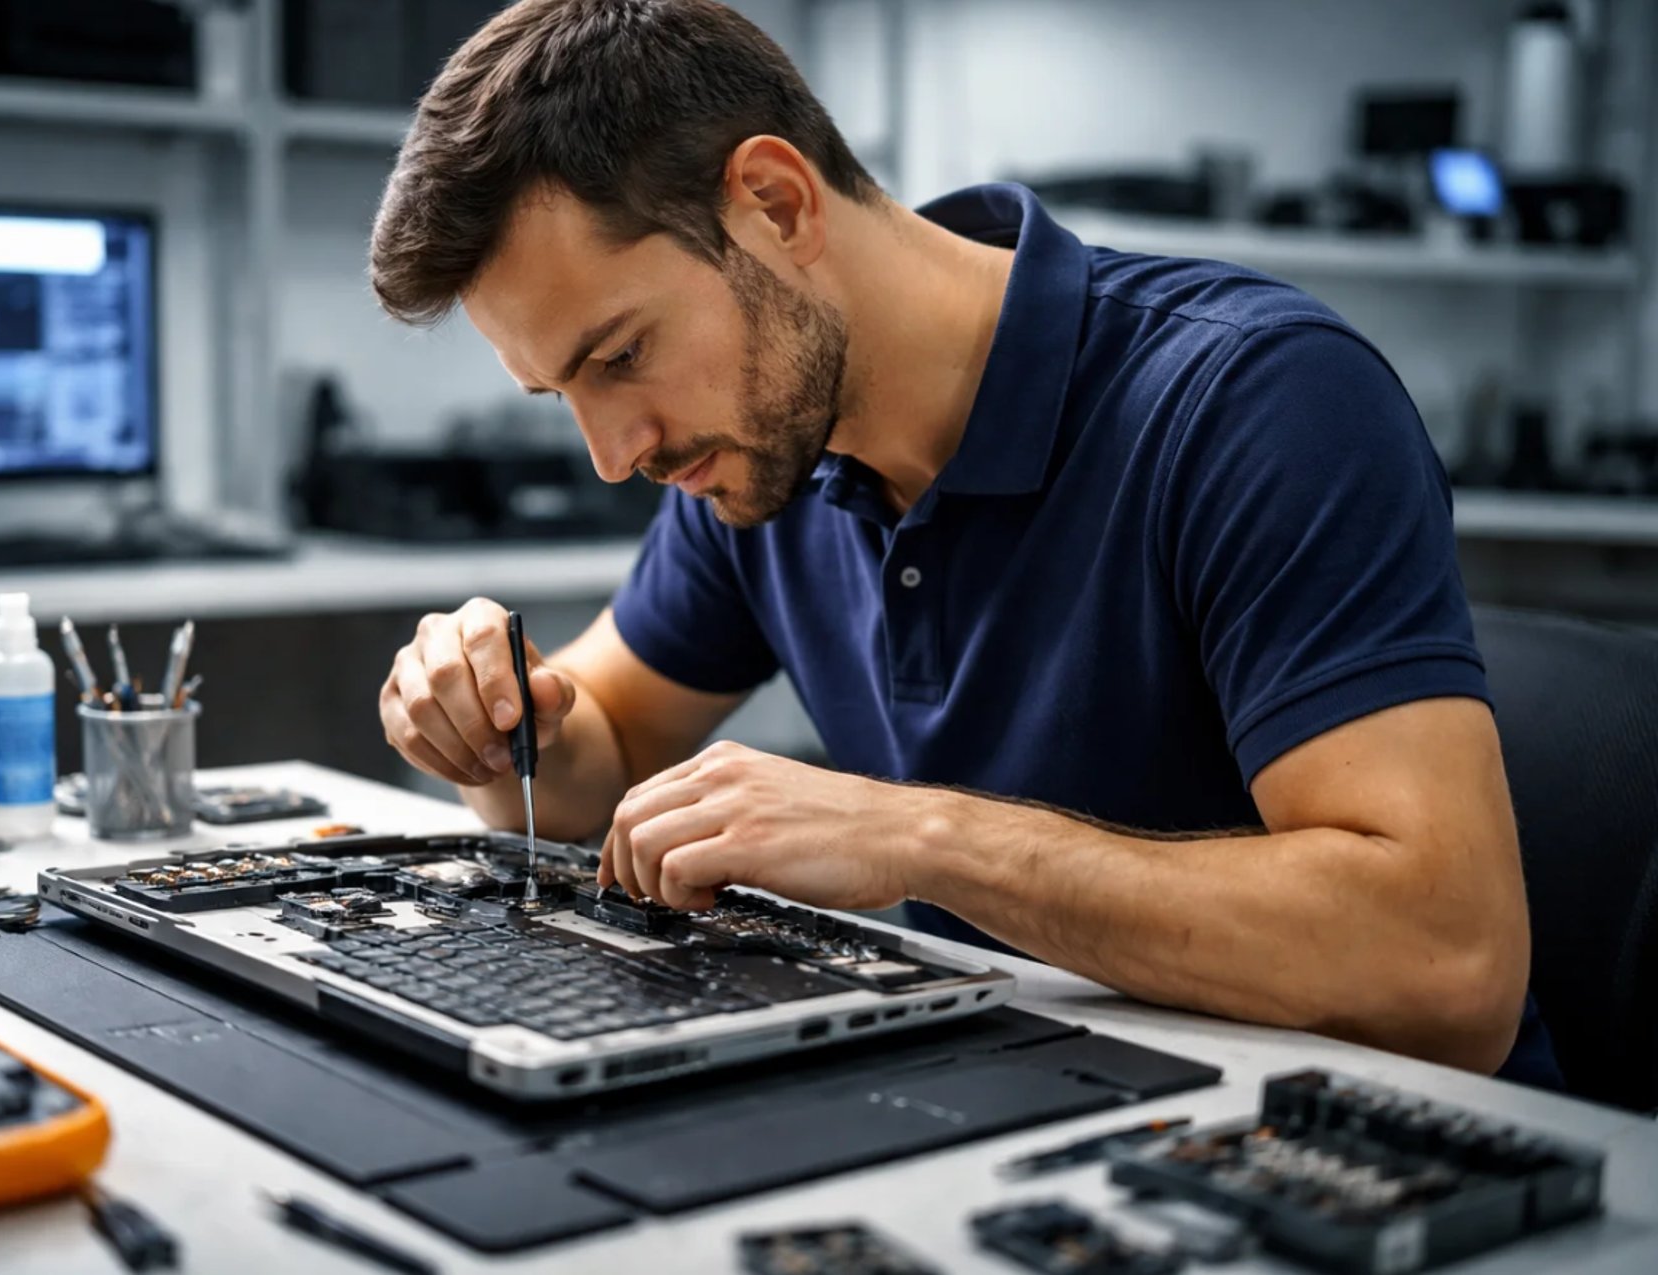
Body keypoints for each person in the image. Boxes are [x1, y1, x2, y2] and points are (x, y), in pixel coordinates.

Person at [366, 0, 1554, 1086]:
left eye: (619, 356)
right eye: (558, 392)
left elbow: (1445, 968)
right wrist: (501, 723)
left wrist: (916, 835)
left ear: (775, 204)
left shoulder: (1259, 400)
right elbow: (606, 751)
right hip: (1008, 1095)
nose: (612, 454)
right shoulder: (756, 454)